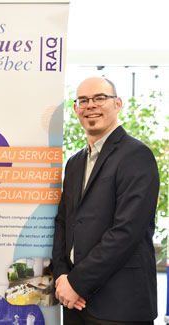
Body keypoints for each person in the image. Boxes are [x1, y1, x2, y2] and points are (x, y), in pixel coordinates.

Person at [52, 77, 159, 324]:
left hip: (119, 304)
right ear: (76, 109)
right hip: (74, 303)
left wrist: (76, 283)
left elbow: (126, 232)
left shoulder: (136, 155)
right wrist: (61, 277)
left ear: (118, 104)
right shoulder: (75, 163)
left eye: (100, 98)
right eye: (83, 100)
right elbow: (63, 223)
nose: (91, 105)